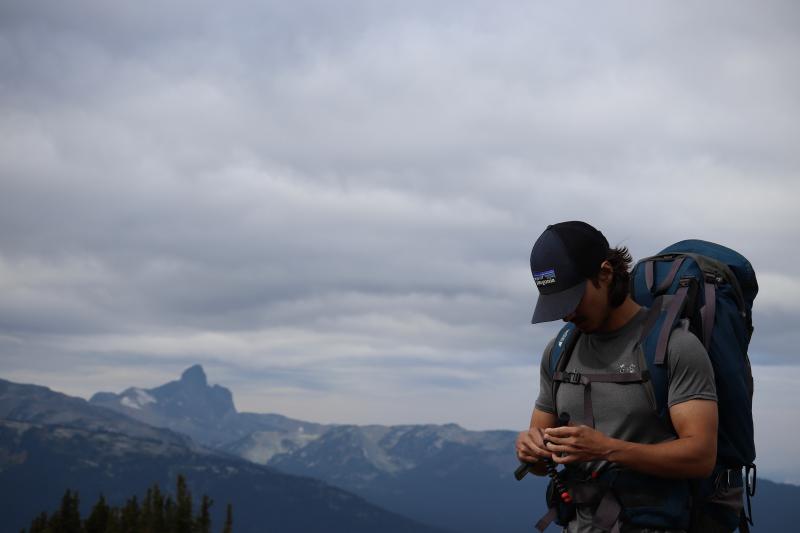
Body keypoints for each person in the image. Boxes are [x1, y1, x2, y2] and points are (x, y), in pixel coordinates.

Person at [515, 221, 718, 533]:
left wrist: (606, 449)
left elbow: (701, 457)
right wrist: (530, 450)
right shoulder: (559, 351)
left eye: (572, 299)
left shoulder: (674, 347)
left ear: (605, 274)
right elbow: (542, 463)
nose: (566, 314)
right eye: (557, 306)